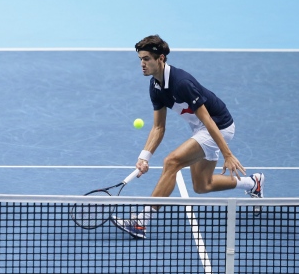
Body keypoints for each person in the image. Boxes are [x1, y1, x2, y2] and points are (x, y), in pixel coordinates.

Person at [112, 35, 264, 239]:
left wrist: (228, 154)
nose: (142, 64)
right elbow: (158, 127)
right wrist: (144, 157)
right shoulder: (155, 87)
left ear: (161, 58)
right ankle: (253, 183)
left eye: (147, 58)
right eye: (140, 59)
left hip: (218, 126)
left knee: (172, 162)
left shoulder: (181, 82)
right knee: (203, 185)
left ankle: (141, 222)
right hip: (201, 129)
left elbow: (208, 120)